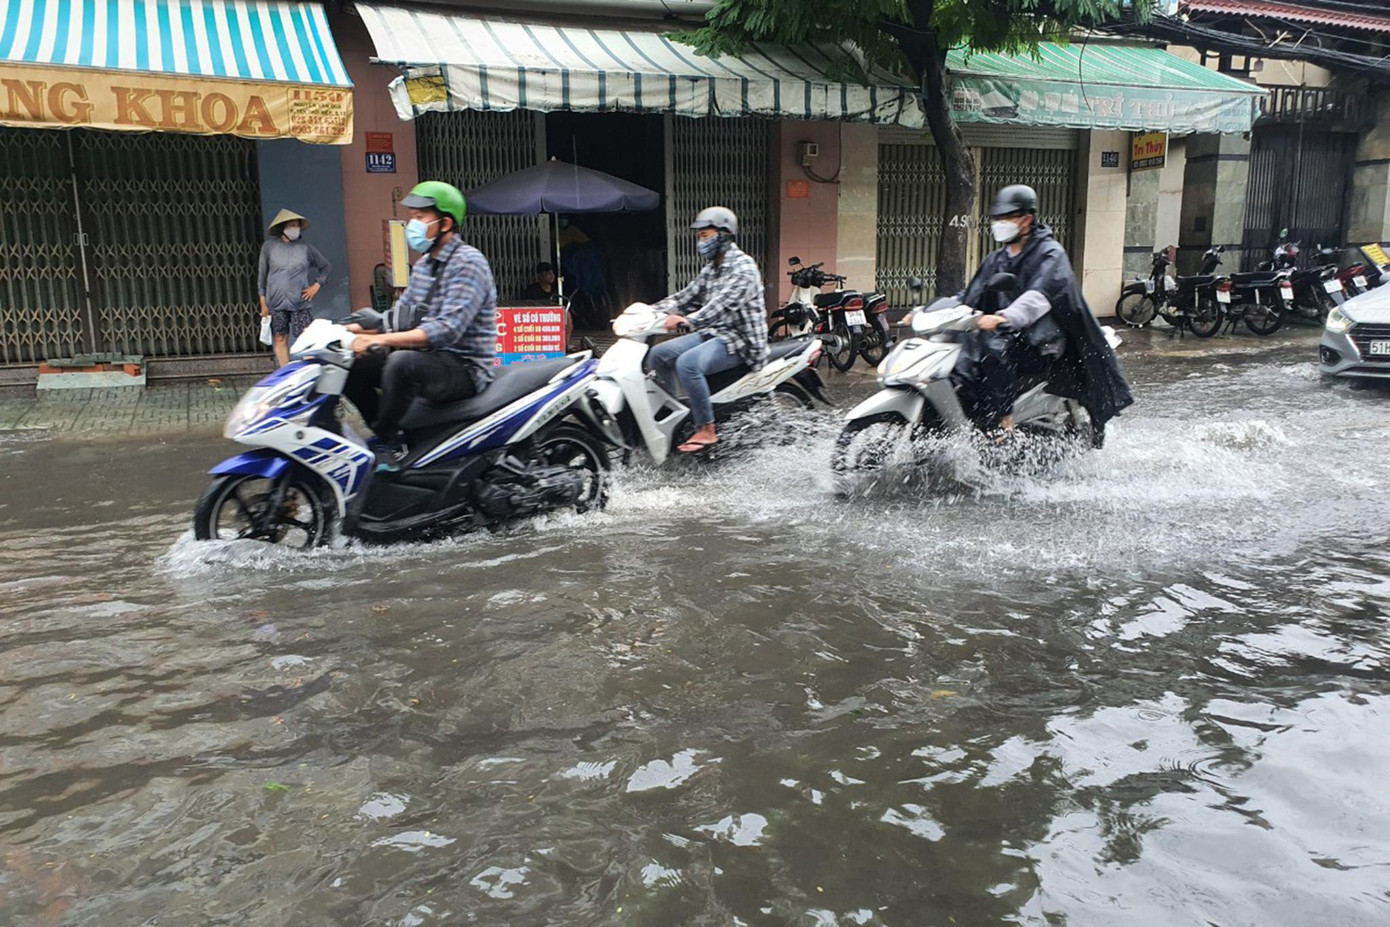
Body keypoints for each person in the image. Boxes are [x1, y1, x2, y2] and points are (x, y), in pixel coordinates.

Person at [955, 184, 1133, 442]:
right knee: (959, 354)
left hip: (1042, 340)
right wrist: (930, 310)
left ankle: (1002, 420)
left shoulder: (1051, 254)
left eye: (1006, 218)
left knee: (995, 349)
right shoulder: (996, 259)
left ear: (1026, 220)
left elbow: (1039, 296)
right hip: (1010, 333)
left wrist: (1004, 317)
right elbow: (970, 294)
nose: (999, 224)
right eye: (996, 219)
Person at [344, 181, 497, 471]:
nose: (412, 224)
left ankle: (390, 442)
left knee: (401, 363)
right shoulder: (426, 265)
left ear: (446, 223)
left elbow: (446, 330)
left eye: (420, 217)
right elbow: (403, 317)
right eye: (411, 216)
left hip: (465, 366)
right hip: (432, 359)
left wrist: (384, 341)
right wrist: (360, 332)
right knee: (353, 362)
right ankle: (389, 433)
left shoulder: (469, 263)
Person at [649, 206, 769, 454]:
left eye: (705, 235)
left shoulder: (744, 268)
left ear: (724, 235)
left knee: (687, 364)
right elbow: (685, 297)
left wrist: (686, 321)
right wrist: (647, 312)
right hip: (715, 333)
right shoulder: (711, 269)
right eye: (699, 236)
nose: (700, 242)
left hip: (741, 341)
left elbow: (720, 306)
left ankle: (706, 428)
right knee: (658, 355)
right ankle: (675, 417)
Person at [258, 208, 332, 367]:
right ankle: (286, 372)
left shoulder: (306, 248)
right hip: (276, 303)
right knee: (279, 338)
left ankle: (307, 373)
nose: (295, 228)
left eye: (297, 225)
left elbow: (325, 267)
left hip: (300, 302)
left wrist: (317, 285)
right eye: (291, 225)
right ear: (283, 228)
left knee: (305, 338)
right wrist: (263, 301)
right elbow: (262, 276)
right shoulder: (269, 247)